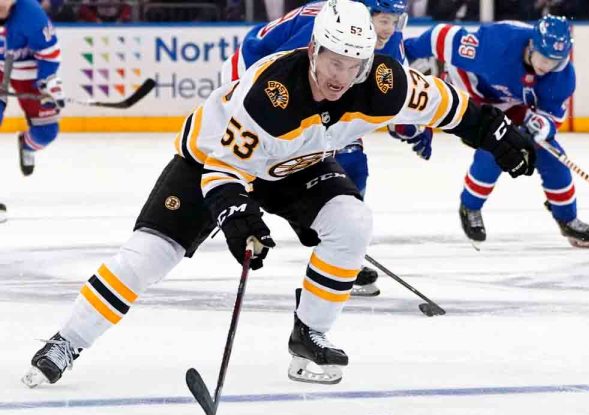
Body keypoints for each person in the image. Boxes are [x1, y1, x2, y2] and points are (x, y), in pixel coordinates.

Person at [22, 0, 536, 388]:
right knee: (148, 257)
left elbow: (450, 107)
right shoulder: (272, 93)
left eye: (354, 65)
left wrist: (497, 134)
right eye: (333, 62)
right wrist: (238, 218)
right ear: (314, 50)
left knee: (351, 222)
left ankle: (309, 335)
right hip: (209, 160)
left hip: (296, 165)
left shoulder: (384, 81)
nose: (342, 77)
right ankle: (68, 340)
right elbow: (222, 169)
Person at [221, 0, 434, 296]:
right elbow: (277, 70)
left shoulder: (389, 39)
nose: (389, 30)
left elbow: (394, 96)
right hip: (252, 77)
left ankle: (340, 248)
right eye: (384, 20)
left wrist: (412, 128)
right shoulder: (327, 28)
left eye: (395, 20)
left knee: (353, 162)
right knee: (247, 168)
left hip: (325, 96)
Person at [405, 15, 589, 249]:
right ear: (532, 45)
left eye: (554, 61)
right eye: (544, 57)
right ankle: (470, 207)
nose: (547, 66)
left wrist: (543, 124)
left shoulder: (562, 75)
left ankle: (567, 219)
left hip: (511, 103)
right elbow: (441, 36)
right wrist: (403, 53)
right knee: (497, 147)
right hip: (469, 97)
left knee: (551, 154)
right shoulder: (496, 45)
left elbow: (552, 115)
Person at [0, 0, 65, 176]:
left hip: (28, 71)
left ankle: (27, 145)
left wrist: (47, 81)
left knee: (46, 132)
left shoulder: (31, 13)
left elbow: (49, 53)